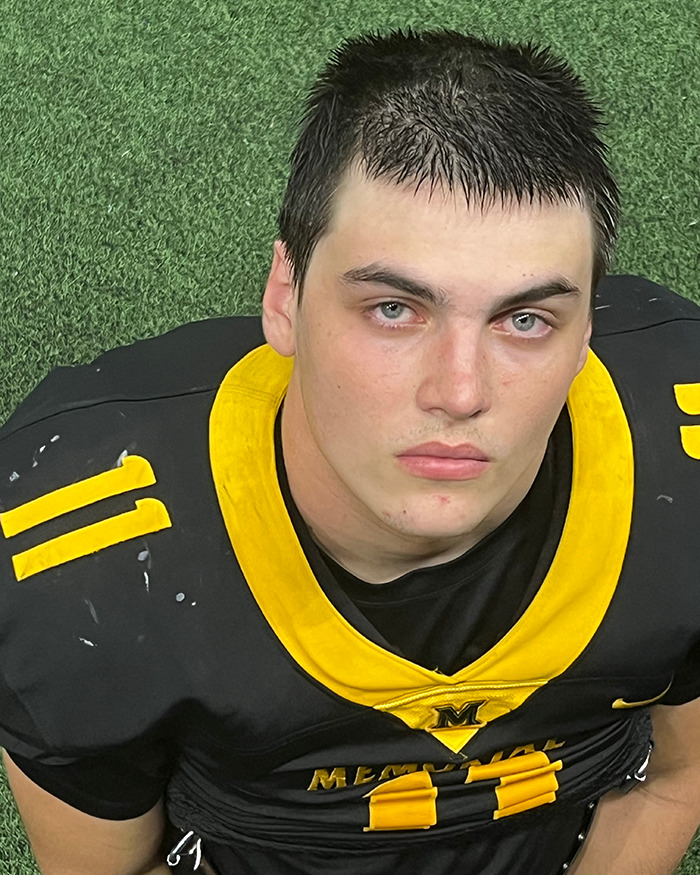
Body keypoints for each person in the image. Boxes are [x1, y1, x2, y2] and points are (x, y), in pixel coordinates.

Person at [0, 27, 699, 875]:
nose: (460, 390)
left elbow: (677, 776)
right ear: (285, 295)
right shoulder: (82, 548)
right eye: (394, 309)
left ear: (588, 329)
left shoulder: (681, 468)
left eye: (526, 320)